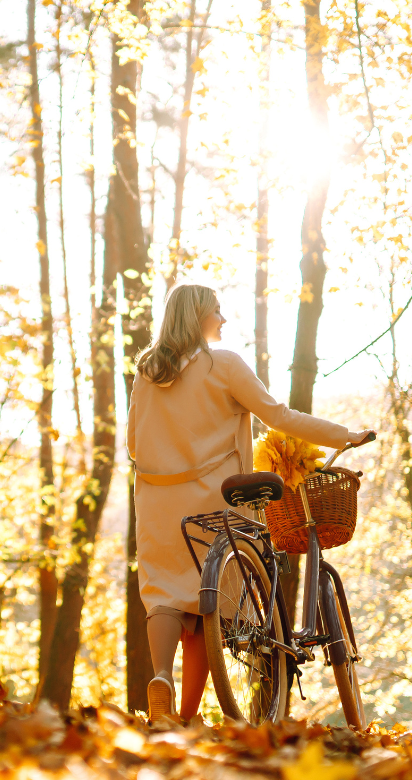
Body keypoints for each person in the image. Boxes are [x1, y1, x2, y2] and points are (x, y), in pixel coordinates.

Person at [128, 285, 371, 723]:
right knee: (211, 604)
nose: (223, 319)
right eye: (217, 310)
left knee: (164, 596)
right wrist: (344, 435)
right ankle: (185, 714)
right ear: (199, 315)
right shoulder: (222, 365)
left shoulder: (147, 372)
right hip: (212, 497)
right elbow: (279, 416)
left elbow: (133, 442)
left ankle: (162, 678)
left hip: (155, 500)